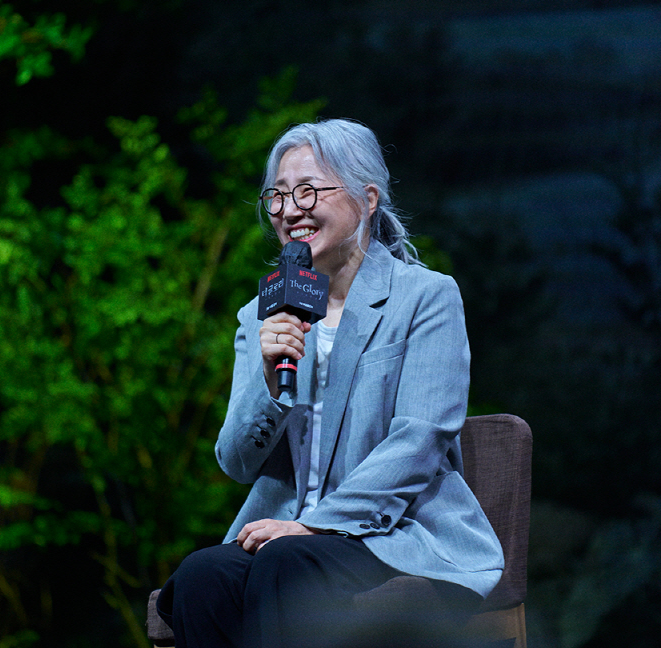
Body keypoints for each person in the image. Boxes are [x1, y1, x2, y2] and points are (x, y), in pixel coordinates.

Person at [155, 119, 503, 648]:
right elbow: (235, 461)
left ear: (367, 198)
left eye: (309, 190)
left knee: (285, 566)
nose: (290, 209)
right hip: (287, 535)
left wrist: (318, 525)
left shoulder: (424, 297)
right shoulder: (262, 315)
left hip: (395, 534)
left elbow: (420, 439)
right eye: (277, 195)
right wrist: (270, 385)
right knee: (202, 577)